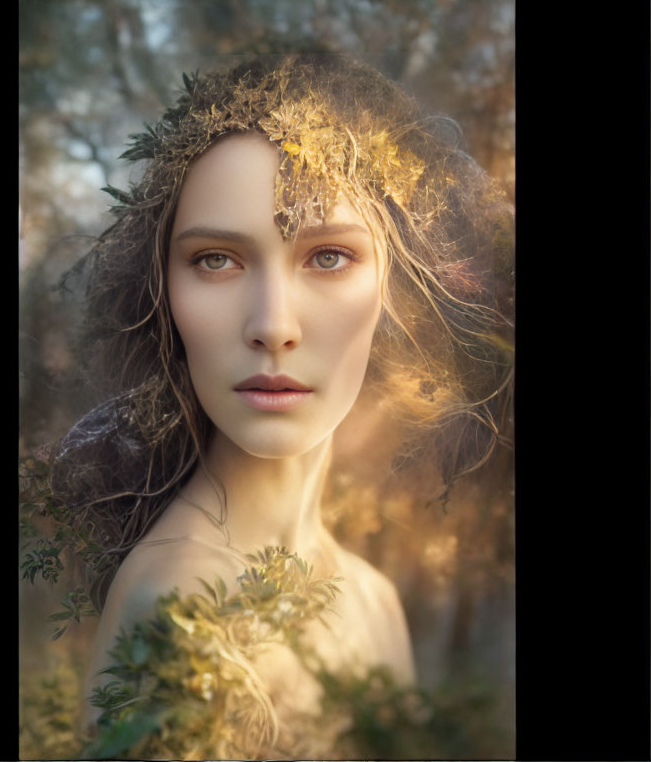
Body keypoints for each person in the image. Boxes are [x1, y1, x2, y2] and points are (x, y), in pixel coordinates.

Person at [48, 52, 513, 758]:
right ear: (162, 295)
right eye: (216, 259)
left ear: (393, 289)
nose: (273, 323)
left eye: (328, 256)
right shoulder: (176, 605)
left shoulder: (372, 598)